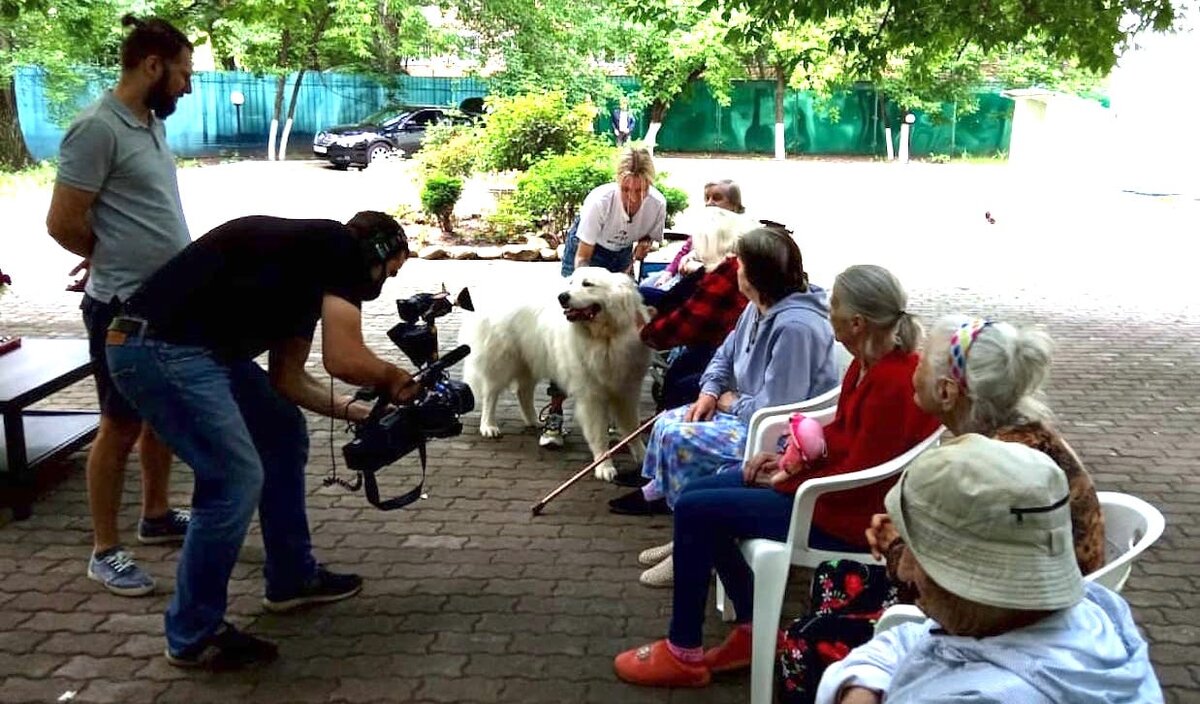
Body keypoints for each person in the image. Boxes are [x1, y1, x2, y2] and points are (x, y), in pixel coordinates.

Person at [105, 212, 419, 670]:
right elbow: (345, 358)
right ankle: (193, 633)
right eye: (392, 269)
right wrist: (394, 377)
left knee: (281, 429)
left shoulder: (307, 272)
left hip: (190, 351)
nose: (386, 282)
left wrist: (361, 410)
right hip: (161, 348)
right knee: (233, 479)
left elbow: (289, 380)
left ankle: (292, 578)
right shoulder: (339, 246)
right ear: (377, 250)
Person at [612, 264, 939, 686]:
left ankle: (684, 652)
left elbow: (862, 472)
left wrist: (788, 479)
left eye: (834, 304)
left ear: (857, 322)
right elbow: (840, 437)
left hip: (843, 516)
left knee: (697, 510)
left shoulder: (893, 380)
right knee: (699, 493)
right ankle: (752, 628)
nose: (827, 310)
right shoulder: (868, 363)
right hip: (826, 495)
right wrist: (786, 459)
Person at [777, 315, 1107, 704]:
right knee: (832, 576)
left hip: (1016, 614)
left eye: (923, 361)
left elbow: (966, 582)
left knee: (802, 639)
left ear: (948, 392)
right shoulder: (1007, 440)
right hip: (1025, 607)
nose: (912, 364)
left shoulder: (992, 464)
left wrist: (899, 544)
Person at [815, 434, 1162, 704]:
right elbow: (912, 637)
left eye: (917, 552)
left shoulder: (985, 693)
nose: (903, 570)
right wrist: (864, 683)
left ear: (970, 578)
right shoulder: (1081, 612)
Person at [44, 14, 195, 597]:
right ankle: (105, 551)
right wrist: (106, 259)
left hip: (162, 301)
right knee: (120, 424)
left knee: (159, 415)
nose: (187, 86)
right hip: (119, 308)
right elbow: (62, 222)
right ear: (152, 66)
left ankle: (155, 515)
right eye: (182, 73)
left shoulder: (148, 123)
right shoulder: (96, 128)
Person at [542, 146, 666, 448]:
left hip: (621, 255)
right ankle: (555, 414)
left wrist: (645, 245)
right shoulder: (600, 201)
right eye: (627, 188)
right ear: (618, 182)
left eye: (640, 188)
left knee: (622, 327)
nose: (634, 197)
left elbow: (651, 235)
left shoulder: (657, 203)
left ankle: (614, 414)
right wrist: (585, 292)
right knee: (573, 332)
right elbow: (583, 259)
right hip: (587, 255)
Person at [640, 207, 752, 412]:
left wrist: (644, 332)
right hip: (726, 345)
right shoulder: (730, 266)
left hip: (724, 352)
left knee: (681, 377)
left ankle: (667, 421)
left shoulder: (724, 273)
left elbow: (687, 324)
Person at [642, 179, 747, 300]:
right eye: (707, 198)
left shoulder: (738, 232)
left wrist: (694, 265)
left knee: (648, 295)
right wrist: (668, 273)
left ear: (734, 205)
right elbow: (684, 251)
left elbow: (724, 267)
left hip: (701, 281)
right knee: (646, 285)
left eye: (717, 198)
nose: (709, 203)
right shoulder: (705, 225)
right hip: (681, 274)